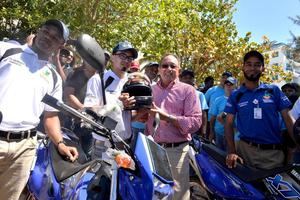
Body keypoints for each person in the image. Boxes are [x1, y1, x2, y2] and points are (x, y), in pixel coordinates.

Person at [0, 19, 78, 200]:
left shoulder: (53, 76)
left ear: (61, 45)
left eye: (55, 37)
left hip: (24, 149)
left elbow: (50, 116)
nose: (48, 37)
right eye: (46, 31)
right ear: (38, 31)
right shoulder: (6, 51)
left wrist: (60, 143)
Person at [224, 50, 294, 170]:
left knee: (276, 189)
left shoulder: (274, 91)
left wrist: (298, 142)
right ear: (243, 67)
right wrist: (231, 151)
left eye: (257, 65)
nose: (253, 68)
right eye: (249, 64)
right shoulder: (236, 95)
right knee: (246, 189)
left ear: (263, 69)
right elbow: (228, 123)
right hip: (245, 153)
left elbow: (288, 119)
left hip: (273, 155)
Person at [145, 54, 201, 200]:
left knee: (178, 195)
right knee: (155, 194)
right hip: (153, 150)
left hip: (176, 151)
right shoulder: (150, 90)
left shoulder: (188, 90)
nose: (168, 69)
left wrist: (167, 118)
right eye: (165, 66)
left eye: (173, 66)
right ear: (158, 69)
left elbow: (195, 122)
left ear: (179, 70)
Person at [84, 41, 138, 153]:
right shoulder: (99, 79)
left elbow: (126, 118)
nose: (126, 60)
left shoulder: (132, 82)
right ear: (112, 57)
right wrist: (117, 103)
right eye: (122, 55)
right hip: (103, 143)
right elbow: (89, 111)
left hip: (125, 143)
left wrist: (142, 111)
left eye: (130, 58)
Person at [209, 77, 236, 151]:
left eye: (231, 84)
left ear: (235, 86)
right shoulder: (218, 100)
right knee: (219, 157)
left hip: (234, 135)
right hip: (219, 134)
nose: (228, 86)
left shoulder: (239, 100)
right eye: (227, 84)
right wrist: (211, 133)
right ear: (224, 86)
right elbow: (213, 118)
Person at [179, 69, 208, 137]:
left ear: (193, 80)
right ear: (181, 79)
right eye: (185, 78)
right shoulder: (176, 93)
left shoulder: (200, 95)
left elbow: (203, 115)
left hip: (194, 130)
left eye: (190, 78)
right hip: (178, 128)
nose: (188, 80)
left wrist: (203, 131)